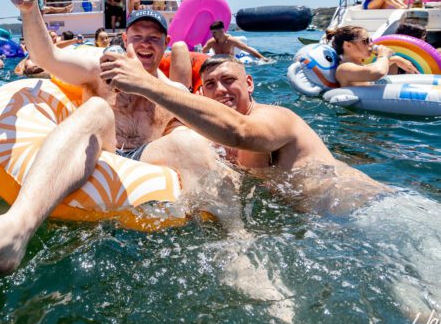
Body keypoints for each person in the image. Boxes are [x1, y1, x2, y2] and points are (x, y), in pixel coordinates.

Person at [0, 0, 235, 272]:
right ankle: (17, 227)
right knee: (96, 109)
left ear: (166, 44)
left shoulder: (174, 91)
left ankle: (237, 249)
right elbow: (45, 56)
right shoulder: (100, 69)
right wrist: (29, 9)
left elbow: (210, 135)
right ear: (125, 40)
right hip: (100, 149)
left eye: (154, 38)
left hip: (147, 162)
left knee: (188, 140)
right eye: (138, 36)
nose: (145, 44)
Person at [99, 52, 391, 216]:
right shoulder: (212, 137)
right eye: (210, 85)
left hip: (370, 209)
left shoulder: (273, 118)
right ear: (200, 94)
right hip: (329, 222)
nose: (221, 90)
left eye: (229, 80)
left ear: (249, 83)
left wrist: (147, 84)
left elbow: (240, 132)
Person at [332, 26, 417, 86]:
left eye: (371, 40)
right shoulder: (344, 68)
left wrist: (395, 59)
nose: (371, 44)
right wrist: (383, 55)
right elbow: (377, 72)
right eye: (366, 41)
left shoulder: (358, 66)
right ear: (348, 45)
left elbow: (367, 69)